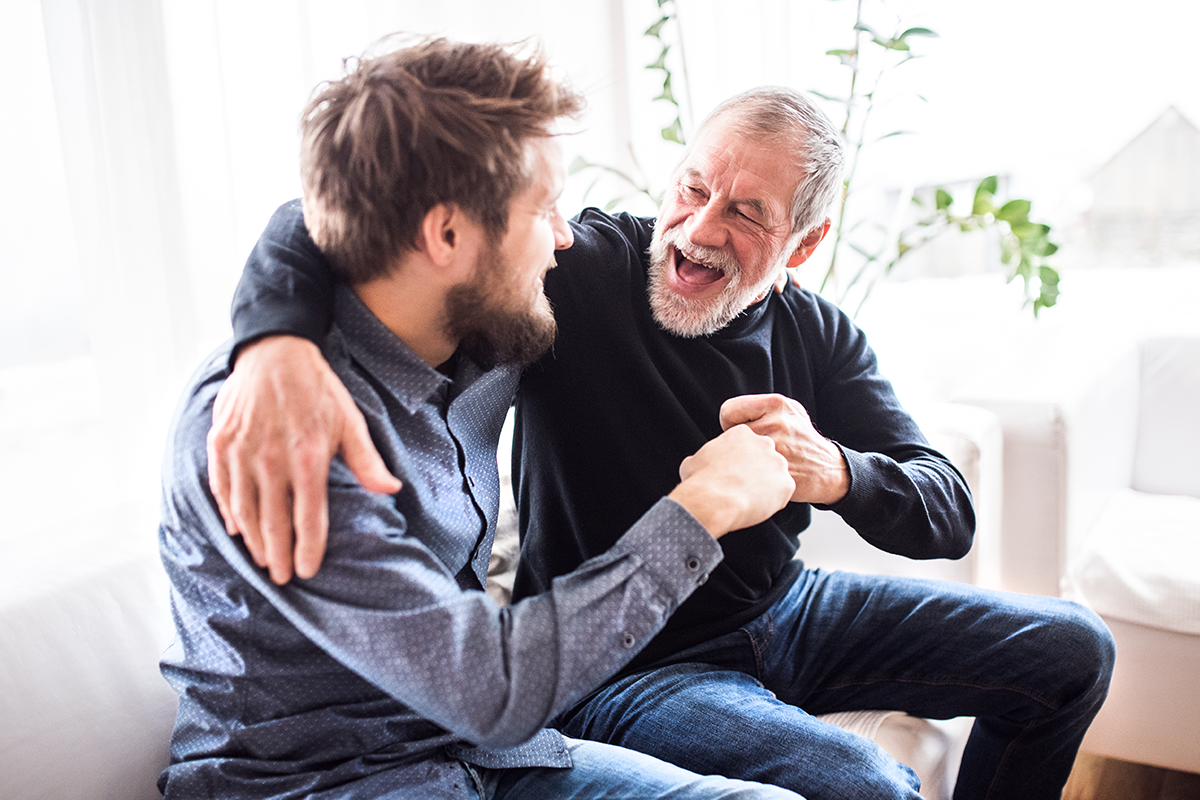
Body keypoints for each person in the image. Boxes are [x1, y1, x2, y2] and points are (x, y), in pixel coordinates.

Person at [210, 81, 1116, 799]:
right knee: (864, 784)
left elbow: (946, 510)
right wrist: (274, 343)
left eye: (748, 213)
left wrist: (829, 469)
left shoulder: (819, 336)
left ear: (802, 246)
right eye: (693, 187)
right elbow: (324, 214)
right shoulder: (581, 269)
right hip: (624, 661)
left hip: (781, 613)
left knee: (1074, 652)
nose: (700, 227)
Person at [158, 35, 804, 800]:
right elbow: (492, 689)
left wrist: (273, 330)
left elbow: (315, 211)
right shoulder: (289, 427)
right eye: (544, 209)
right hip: (328, 783)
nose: (566, 237)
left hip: (469, 755)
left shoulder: (475, 328)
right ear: (447, 234)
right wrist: (706, 507)